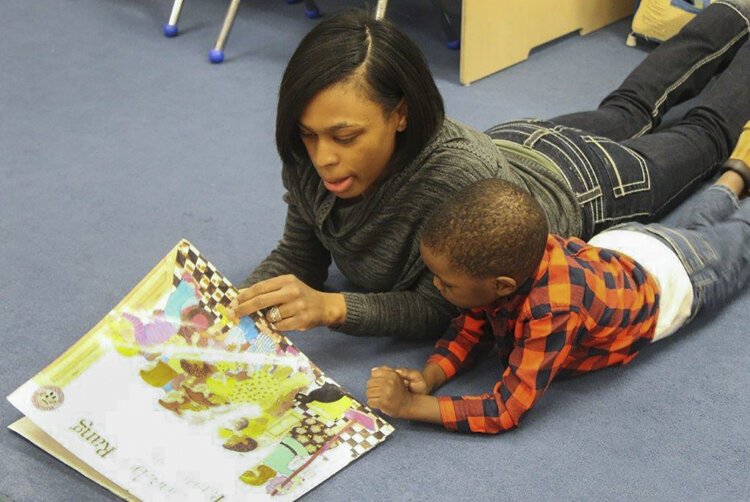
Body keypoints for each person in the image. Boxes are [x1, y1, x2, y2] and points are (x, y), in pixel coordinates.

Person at [231, 2, 750, 339]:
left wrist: (335, 309)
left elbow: (446, 307)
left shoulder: (454, 179)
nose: (322, 157)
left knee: (702, 134)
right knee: (628, 109)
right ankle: (730, 12)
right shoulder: (308, 157)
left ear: (401, 114)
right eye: (307, 133)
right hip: (514, 142)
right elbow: (301, 254)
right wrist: (233, 312)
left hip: (584, 183)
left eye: (345, 137)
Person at [364, 125, 750, 433]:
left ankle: (735, 176)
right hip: (629, 245)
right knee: (700, 227)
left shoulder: (552, 310)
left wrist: (414, 407)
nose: (436, 287)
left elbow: (504, 410)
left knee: (738, 238)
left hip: (677, 275)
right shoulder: (507, 264)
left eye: (447, 284)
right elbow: (469, 329)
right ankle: (736, 172)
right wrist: (429, 377)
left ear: (502, 285)